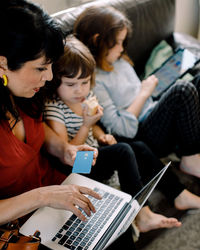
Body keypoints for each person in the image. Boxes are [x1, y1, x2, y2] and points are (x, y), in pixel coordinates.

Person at [0, 1, 146, 250]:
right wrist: (44, 196)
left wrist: (66, 149)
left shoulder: (26, 95)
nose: (50, 77)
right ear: (1, 64)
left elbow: (39, 137)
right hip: (21, 224)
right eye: (41, 68)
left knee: (113, 228)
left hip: (56, 190)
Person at [44, 35, 181, 234]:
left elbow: (94, 127)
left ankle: (177, 193)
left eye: (84, 82)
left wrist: (100, 135)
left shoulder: (86, 96)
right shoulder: (55, 109)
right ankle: (142, 215)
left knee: (138, 147)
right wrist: (86, 125)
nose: (79, 90)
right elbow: (68, 154)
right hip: (79, 167)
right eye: (71, 84)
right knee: (123, 151)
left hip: (94, 152)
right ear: (55, 82)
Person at [74, 5, 200, 211]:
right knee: (182, 90)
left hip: (152, 109)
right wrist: (144, 92)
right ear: (98, 41)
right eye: (118, 43)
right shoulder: (92, 80)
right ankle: (191, 157)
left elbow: (134, 91)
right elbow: (123, 129)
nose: (122, 48)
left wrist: (149, 89)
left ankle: (190, 148)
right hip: (141, 131)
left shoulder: (120, 61)